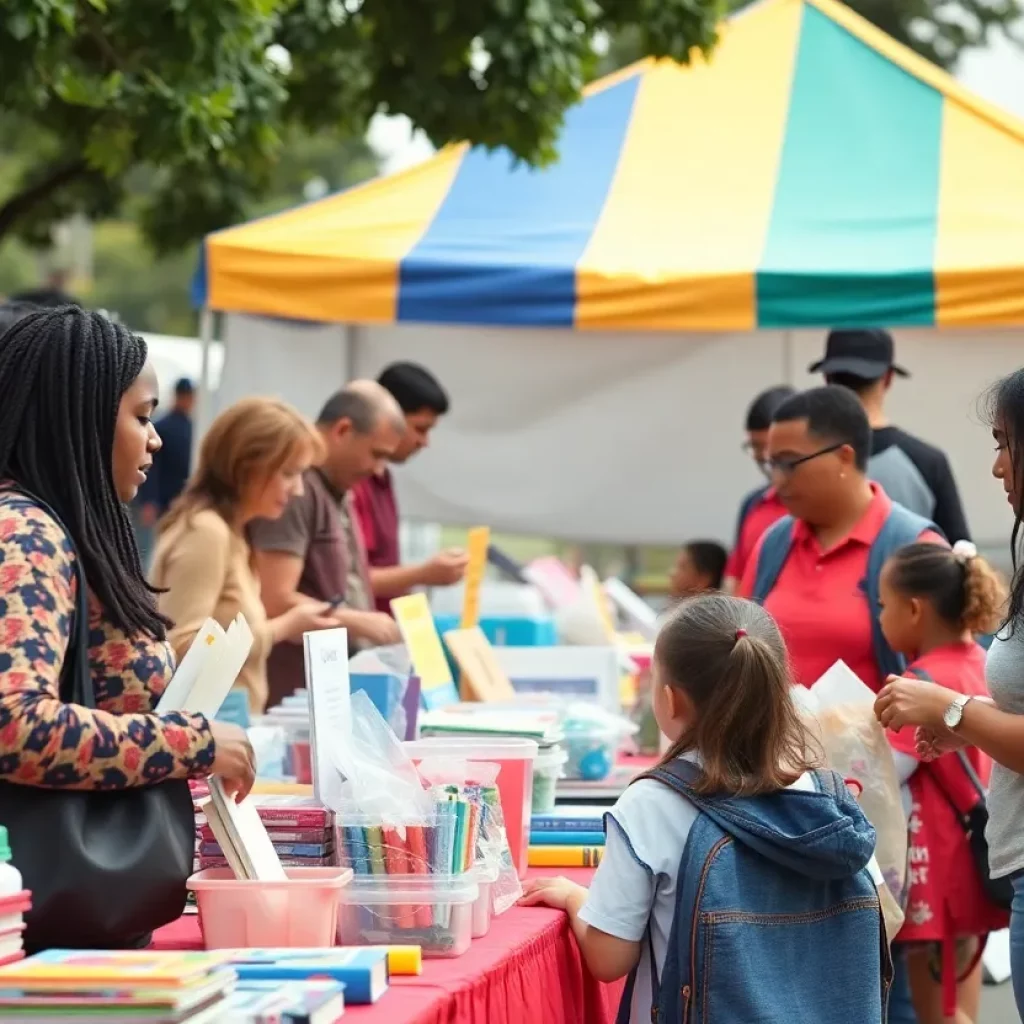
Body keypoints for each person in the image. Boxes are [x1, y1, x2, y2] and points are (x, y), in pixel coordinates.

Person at [0, 307, 254, 942]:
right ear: (79, 417)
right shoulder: (26, 533)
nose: (157, 438)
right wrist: (191, 743)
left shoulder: (52, 526)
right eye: (141, 416)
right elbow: (12, 724)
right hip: (42, 937)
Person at [520, 595, 888, 1023]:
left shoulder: (651, 804)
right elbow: (875, 915)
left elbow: (609, 957)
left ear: (670, 699)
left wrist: (573, 898)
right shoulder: (827, 796)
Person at [875, 366, 1024, 1019]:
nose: (996, 467)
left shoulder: (935, 676)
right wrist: (966, 719)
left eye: (1003, 442)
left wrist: (951, 709)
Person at [738, 385, 946, 692]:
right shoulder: (773, 545)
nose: (777, 480)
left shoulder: (915, 548)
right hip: (776, 740)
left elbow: (947, 676)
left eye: (789, 463)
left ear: (844, 457)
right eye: (771, 464)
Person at [877, 541, 1008, 1024]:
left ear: (914, 610)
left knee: (939, 1015)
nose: (879, 616)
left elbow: (887, 771)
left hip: (936, 869)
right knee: (961, 1008)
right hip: (978, 857)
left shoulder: (920, 683)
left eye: (882, 604)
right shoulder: (982, 662)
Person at [150, 399, 337, 718]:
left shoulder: (232, 533)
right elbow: (181, 650)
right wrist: (281, 628)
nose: (298, 490)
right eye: (289, 473)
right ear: (247, 466)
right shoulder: (208, 533)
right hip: (203, 740)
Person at [250, 381, 405, 708]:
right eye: (376, 454)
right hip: (290, 698)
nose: (378, 469)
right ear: (343, 430)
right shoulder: (297, 491)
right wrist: (359, 620)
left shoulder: (336, 488)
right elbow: (274, 599)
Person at [811, 329, 970, 543]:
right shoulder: (927, 462)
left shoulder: (802, 460)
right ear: (887, 378)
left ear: (826, 378)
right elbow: (962, 555)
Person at [351, 362, 468, 613]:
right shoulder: (353, 483)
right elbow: (345, 581)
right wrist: (423, 573)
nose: (424, 442)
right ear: (388, 419)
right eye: (420, 429)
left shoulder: (383, 477)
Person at [722, 385, 795, 591]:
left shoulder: (819, 508)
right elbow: (735, 581)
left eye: (769, 446)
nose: (762, 456)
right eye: (755, 446)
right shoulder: (753, 504)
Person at [134, 378, 195, 565]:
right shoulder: (163, 427)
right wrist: (150, 500)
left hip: (180, 499)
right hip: (160, 500)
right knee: (149, 550)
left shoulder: (192, 427)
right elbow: (152, 467)